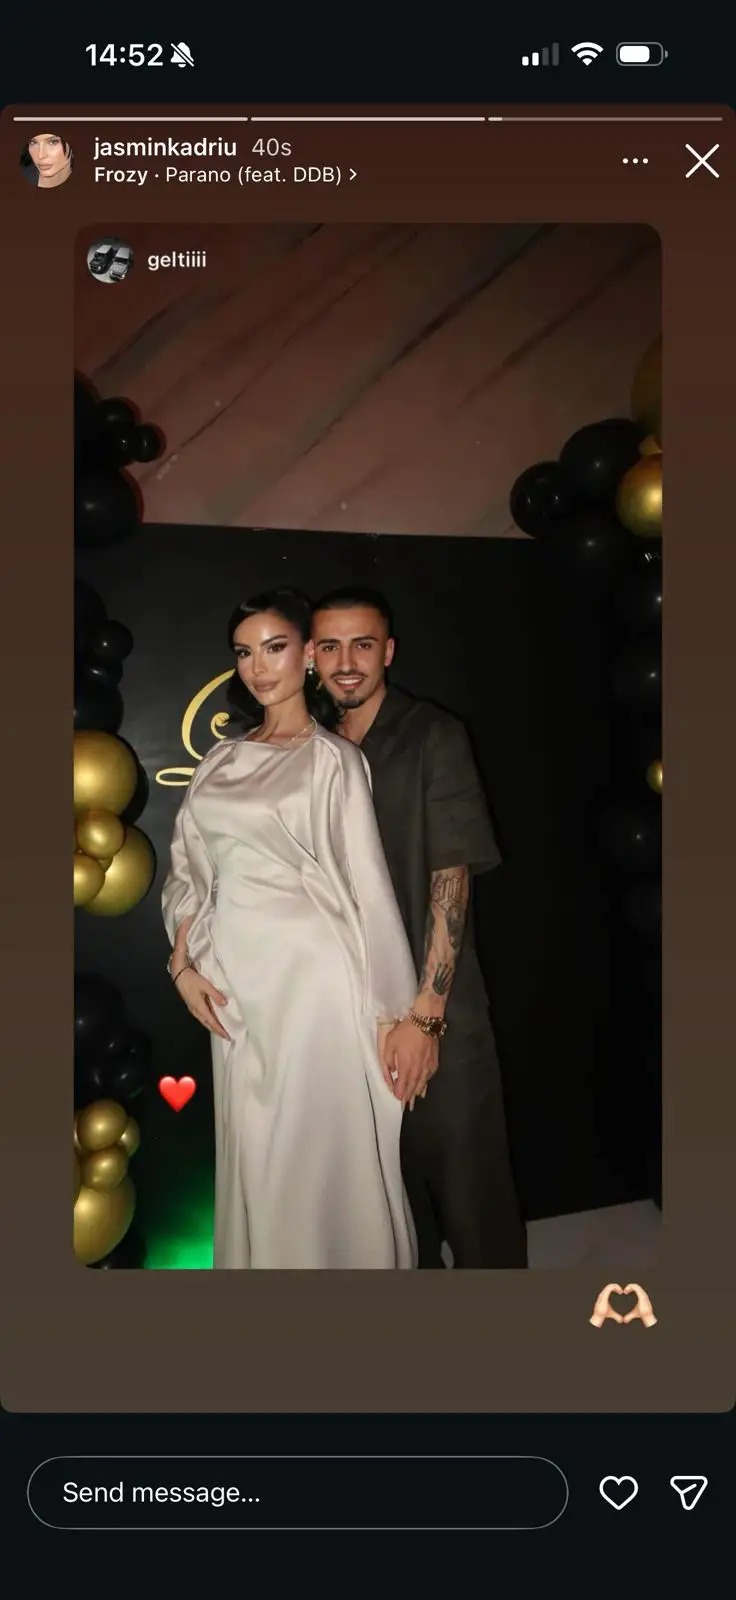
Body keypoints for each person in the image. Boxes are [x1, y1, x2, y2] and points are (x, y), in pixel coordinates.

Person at [161, 587, 423, 1270]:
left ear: (307, 655)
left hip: (313, 984)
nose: (258, 667)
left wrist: (398, 1016)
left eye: (273, 648)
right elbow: (187, 870)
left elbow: (369, 890)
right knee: (256, 1151)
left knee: (311, 1152)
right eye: (244, 652)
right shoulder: (220, 762)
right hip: (234, 985)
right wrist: (183, 965)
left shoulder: (333, 760)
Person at [311, 586, 527, 1269]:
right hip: (350, 1010)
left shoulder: (433, 734)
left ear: (389, 651)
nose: (347, 662)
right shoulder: (314, 748)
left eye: (363, 644)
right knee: (392, 1203)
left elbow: (450, 880)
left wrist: (427, 1017)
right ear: (312, 656)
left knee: (471, 1193)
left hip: (435, 1007)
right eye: (331, 646)